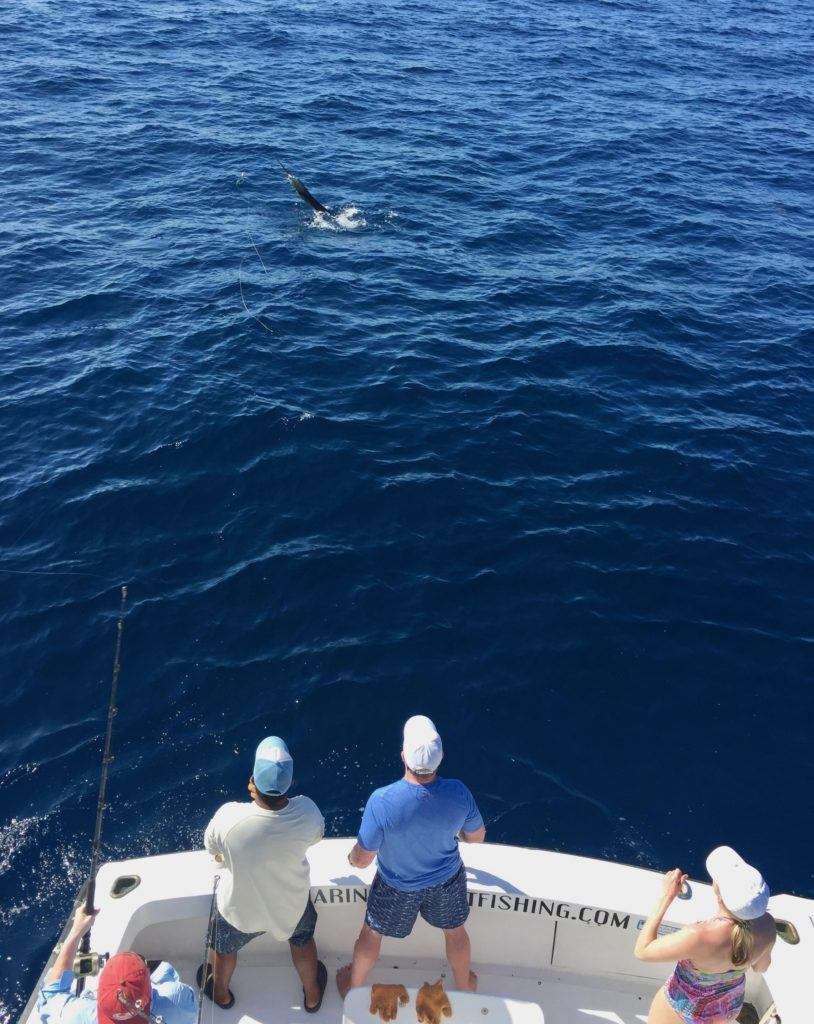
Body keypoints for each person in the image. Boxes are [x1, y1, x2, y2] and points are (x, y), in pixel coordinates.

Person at [337, 715, 486, 998]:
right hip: (447, 882)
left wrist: (352, 858)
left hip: (396, 887)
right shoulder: (459, 792)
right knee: (455, 932)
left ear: (403, 755)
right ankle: (465, 984)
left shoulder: (381, 801)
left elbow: (363, 859)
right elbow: (476, 837)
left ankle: (353, 987)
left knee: (371, 934)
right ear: (440, 758)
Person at [202, 735, 327, 1012]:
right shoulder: (307, 812)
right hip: (291, 908)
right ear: (290, 783)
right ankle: (312, 995)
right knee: (303, 943)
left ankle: (221, 994)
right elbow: (316, 837)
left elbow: (212, 849)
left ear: (252, 781)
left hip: (238, 911)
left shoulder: (228, 818)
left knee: (223, 950)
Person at [634, 846, 776, 1024]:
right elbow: (761, 967)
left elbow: (642, 951)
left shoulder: (698, 936)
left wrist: (666, 896)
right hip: (728, 1007)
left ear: (718, 891)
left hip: (688, 1011)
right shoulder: (768, 926)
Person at [37, 906, 197, 1024]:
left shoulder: (79, 1015)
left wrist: (77, 930)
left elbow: (50, 994)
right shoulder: (177, 1000)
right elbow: (191, 1004)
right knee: (165, 970)